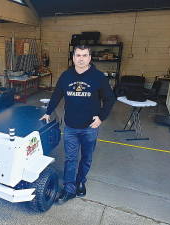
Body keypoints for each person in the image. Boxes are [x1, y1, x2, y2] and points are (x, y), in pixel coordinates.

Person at [40, 45, 115, 204]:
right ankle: (69, 189)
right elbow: (56, 95)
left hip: (90, 127)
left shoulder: (98, 77)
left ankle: (81, 181)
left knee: (86, 158)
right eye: (78, 55)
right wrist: (48, 111)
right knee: (71, 159)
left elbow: (110, 98)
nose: (81, 58)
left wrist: (101, 117)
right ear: (73, 58)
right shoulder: (66, 76)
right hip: (71, 127)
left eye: (84, 55)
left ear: (89, 58)